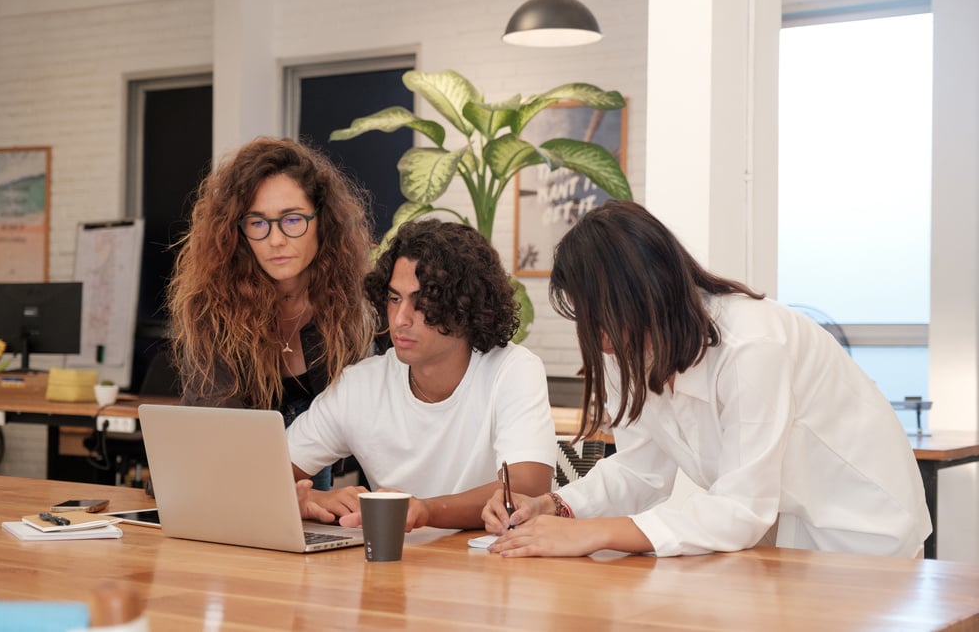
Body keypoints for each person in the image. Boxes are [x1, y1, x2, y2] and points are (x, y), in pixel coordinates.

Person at [481, 200, 931, 558]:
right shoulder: (621, 347)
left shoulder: (752, 344)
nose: (597, 337)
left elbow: (741, 508)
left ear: (648, 292)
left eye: (602, 313)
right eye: (585, 316)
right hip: (783, 534)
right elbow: (641, 471)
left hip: (864, 529)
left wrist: (595, 534)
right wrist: (559, 508)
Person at [287, 218, 557, 530]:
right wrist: (307, 500)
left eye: (422, 301)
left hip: (496, 565)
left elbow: (527, 488)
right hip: (394, 568)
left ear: (465, 306)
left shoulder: (512, 370)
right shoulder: (360, 385)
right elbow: (263, 475)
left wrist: (425, 511)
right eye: (394, 298)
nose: (400, 319)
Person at [167, 137, 375, 490]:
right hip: (226, 475)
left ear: (321, 221)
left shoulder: (358, 304)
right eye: (257, 222)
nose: (276, 239)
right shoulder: (211, 306)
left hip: (316, 475)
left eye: (292, 219)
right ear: (239, 230)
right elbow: (219, 434)